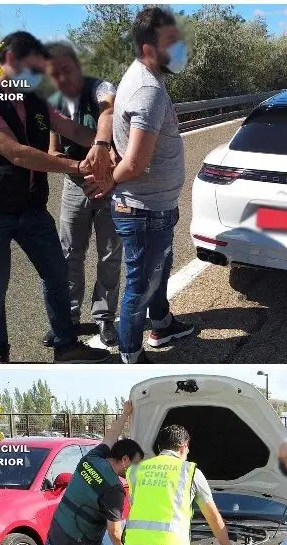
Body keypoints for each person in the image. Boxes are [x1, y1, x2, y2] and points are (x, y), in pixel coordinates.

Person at [0, 31, 113, 364]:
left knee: (57, 274)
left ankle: (66, 346)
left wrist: (105, 146)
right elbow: (18, 154)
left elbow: (74, 130)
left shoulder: (34, 98)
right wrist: (81, 165)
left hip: (31, 207)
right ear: (11, 61)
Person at [110, 7, 195, 364]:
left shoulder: (147, 79)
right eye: (171, 42)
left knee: (157, 270)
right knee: (139, 286)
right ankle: (130, 354)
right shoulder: (148, 91)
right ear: (149, 47)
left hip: (156, 205)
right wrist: (104, 182)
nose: (179, 50)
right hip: (143, 209)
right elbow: (134, 163)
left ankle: (160, 323)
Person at [44, 41, 122, 349]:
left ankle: (104, 318)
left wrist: (102, 153)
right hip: (75, 185)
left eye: (67, 68)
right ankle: (70, 317)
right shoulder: (53, 102)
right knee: (69, 254)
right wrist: (82, 167)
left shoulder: (99, 88)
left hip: (110, 184)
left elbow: (110, 108)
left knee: (109, 254)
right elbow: (51, 152)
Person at [44, 401, 143, 545]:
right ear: (124, 460)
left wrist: (125, 414)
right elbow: (115, 534)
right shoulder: (114, 489)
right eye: (135, 465)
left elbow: (110, 436)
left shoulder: (92, 459)